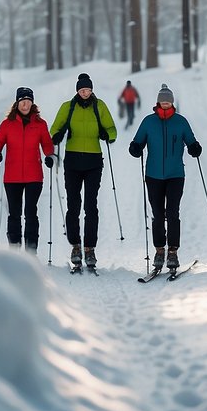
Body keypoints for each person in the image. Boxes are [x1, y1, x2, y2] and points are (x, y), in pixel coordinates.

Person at [128, 83, 201, 273]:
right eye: (163, 101)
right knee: (158, 214)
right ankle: (160, 250)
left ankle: (173, 252)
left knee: (173, 213)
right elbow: (138, 141)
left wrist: (194, 148)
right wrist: (135, 148)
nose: (166, 104)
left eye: (168, 102)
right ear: (158, 102)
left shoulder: (181, 122)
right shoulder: (148, 122)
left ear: (172, 103)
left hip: (176, 174)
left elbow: (191, 141)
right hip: (153, 175)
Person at [49, 72, 117, 270]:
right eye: (82, 90)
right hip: (72, 161)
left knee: (91, 206)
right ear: (78, 91)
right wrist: (58, 135)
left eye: (87, 89)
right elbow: (55, 128)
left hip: (94, 161)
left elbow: (112, 128)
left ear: (91, 90)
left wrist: (108, 135)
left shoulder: (99, 106)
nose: (85, 92)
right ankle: (75, 246)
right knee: (73, 205)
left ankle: (89, 248)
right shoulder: (68, 107)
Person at [0, 86, 54, 253]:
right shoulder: (7, 125)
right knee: (14, 213)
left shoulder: (40, 124)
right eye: (22, 102)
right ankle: (15, 250)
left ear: (32, 104)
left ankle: (31, 251)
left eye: (28, 102)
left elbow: (47, 144)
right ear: (17, 104)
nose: (25, 105)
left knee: (31, 212)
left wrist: (49, 155)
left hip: (34, 176)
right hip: (12, 177)